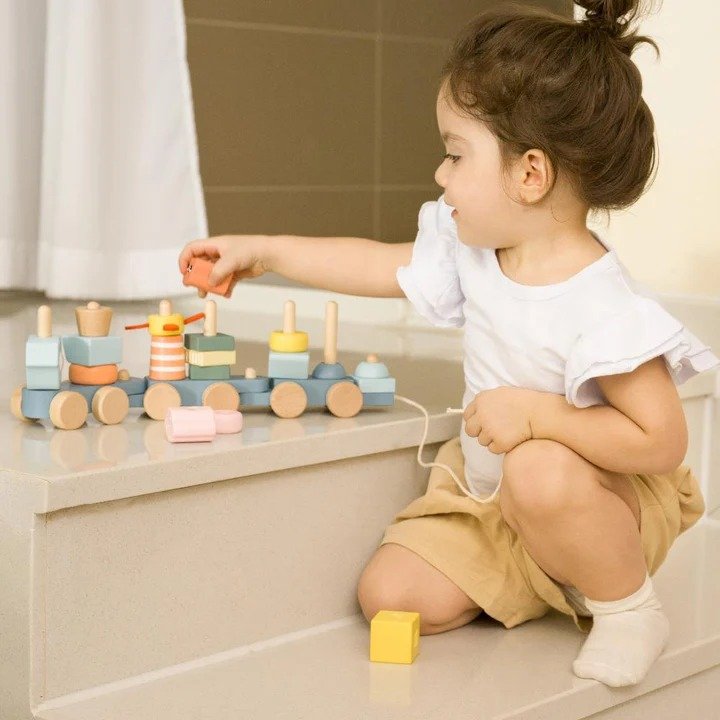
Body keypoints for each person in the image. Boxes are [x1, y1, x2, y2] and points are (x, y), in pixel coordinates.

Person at [178, 0, 720, 688]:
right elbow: (378, 264)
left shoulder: (603, 304)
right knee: (389, 595)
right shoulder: (477, 254)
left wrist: (538, 417)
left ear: (530, 175)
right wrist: (266, 250)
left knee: (538, 470)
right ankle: (549, 573)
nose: (440, 175)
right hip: (494, 504)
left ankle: (627, 605)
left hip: (596, 500)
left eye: (455, 154)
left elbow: (661, 442)